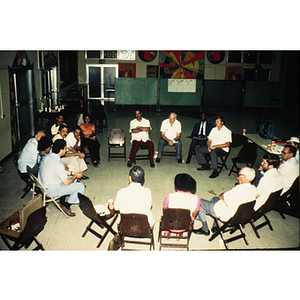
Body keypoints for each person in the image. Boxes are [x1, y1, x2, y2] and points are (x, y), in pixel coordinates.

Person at [193, 167, 257, 235]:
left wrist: (225, 200)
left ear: (244, 177)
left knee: (198, 201)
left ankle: (205, 229)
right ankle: (215, 226)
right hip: (239, 216)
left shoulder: (237, 190)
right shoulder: (254, 190)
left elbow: (221, 197)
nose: (238, 178)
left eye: (239, 175)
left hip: (227, 214)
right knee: (214, 199)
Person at [38, 139, 85, 217]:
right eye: (65, 148)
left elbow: (59, 171)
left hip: (43, 187)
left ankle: (62, 201)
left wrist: (73, 173)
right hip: (52, 190)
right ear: (61, 150)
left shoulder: (48, 157)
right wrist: (75, 176)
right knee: (80, 186)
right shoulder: (57, 164)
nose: (66, 150)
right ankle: (66, 206)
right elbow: (66, 182)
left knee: (73, 178)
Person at [163, 173, 201, 238]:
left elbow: (165, 209)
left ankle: (166, 233)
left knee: (167, 215)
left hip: (169, 224)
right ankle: (179, 233)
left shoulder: (169, 196)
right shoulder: (196, 199)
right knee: (187, 216)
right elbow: (194, 214)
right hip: (185, 225)